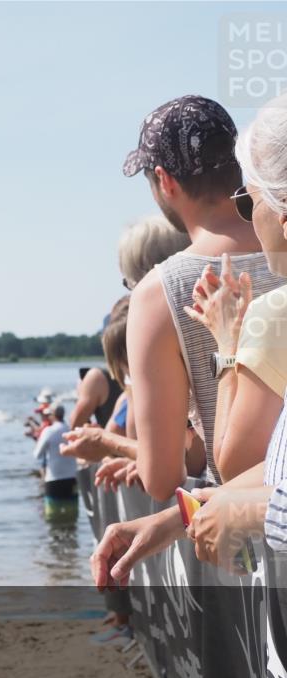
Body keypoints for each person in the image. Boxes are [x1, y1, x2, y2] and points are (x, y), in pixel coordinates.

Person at [122, 95, 285, 499]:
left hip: (238, 524)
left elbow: (161, 478)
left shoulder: (158, 293)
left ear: (165, 181)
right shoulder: (278, 249)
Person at [33, 405, 78, 521]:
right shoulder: (70, 429)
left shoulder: (48, 431)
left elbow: (37, 454)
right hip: (71, 478)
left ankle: (56, 533)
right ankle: (70, 533)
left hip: (53, 478)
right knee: (72, 516)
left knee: (53, 517)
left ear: (52, 416)